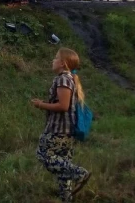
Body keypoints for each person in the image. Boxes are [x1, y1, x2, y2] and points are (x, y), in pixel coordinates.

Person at [31, 47, 91, 202]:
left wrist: (41, 104)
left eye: (55, 58)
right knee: (63, 163)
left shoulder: (63, 79)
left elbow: (63, 106)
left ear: (63, 64)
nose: (53, 60)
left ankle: (79, 173)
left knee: (43, 155)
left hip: (58, 131)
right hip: (67, 131)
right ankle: (66, 197)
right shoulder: (70, 78)